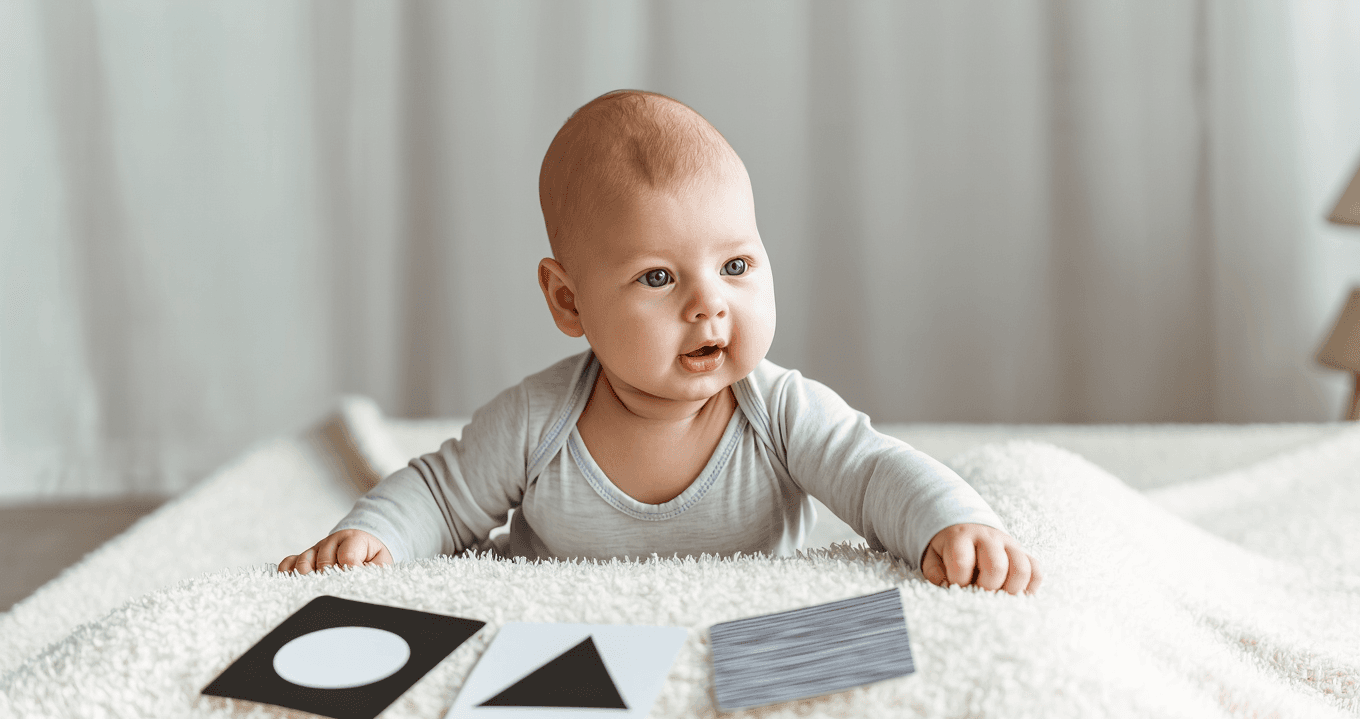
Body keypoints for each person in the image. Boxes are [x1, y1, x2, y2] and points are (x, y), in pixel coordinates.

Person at [279, 90, 1042, 595]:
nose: (710, 302)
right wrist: (370, 538)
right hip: (571, 647)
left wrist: (953, 523)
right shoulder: (539, 421)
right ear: (568, 300)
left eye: (736, 265)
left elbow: (876, 473)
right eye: (656, 279)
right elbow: (442, 499)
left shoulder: (776, 411)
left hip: (739, 640)